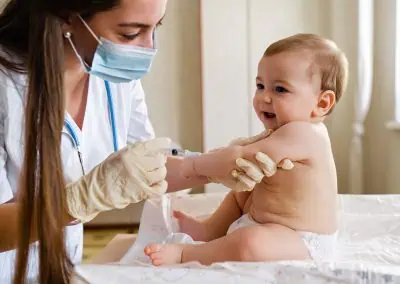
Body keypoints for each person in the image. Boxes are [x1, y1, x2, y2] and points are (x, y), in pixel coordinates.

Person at [0, 0, 283, 283]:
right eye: (130, 33)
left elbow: (145, 168)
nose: (148, 48)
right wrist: (76, 201)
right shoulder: (6, 89)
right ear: (67, 17)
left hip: (56, 269)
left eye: (155, 27)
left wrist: (209, 166)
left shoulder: (113, 75)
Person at [144, 33, 349, 265]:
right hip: (267, 224)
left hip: (299, 240)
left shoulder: (306, 133)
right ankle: (210, 230)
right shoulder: (278, 133)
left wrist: (193, 165)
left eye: (280, 89)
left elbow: (238, 159)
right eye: (260, 86)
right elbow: (239, 158)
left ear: (321, 103)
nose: (264, 97)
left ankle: (188, 254)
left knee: (248, 244)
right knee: (242, 189)